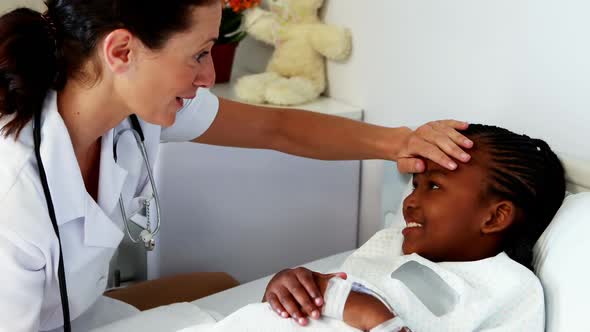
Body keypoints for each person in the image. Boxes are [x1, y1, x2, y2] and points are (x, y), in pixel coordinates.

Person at [0, 0, 472, 331]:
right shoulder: (14, 196)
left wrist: (400, 142)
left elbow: (277, 130)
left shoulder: (134, 109)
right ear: (122, 51)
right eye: (199, 54)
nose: (209, 76)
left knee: (220, 287)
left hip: (79, 311)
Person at [257, 124, 565, 331]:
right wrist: (289, 289)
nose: (410, 202)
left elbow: (353, 303)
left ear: (495, 217)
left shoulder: (508, 288)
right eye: (415, 185)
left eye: (433, 187)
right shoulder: (389, 245)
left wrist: (372, 316)